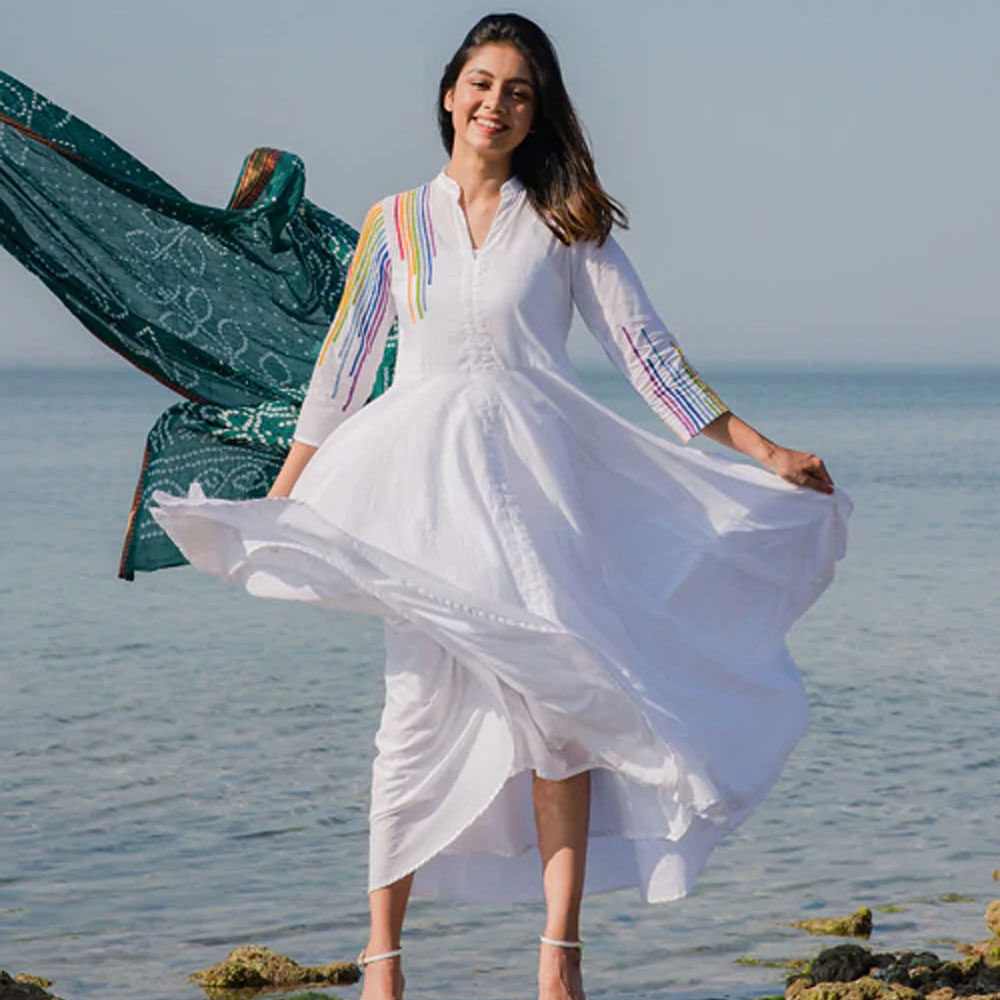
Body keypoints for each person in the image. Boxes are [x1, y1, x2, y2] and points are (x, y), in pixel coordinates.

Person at [150, 13, 850, 1000]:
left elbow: (647, 357)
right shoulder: (397, 222)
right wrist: (287, 491)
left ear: (536, 112)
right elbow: (345, 368)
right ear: (449, 93)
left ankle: (557, 960)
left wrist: (762, 449)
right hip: (425, 496)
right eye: (481, 83)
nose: (495, 104)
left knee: (558, 704)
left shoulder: (565, 222)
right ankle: (383, 963)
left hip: (535, 492)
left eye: (517, 91)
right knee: (412, 713)